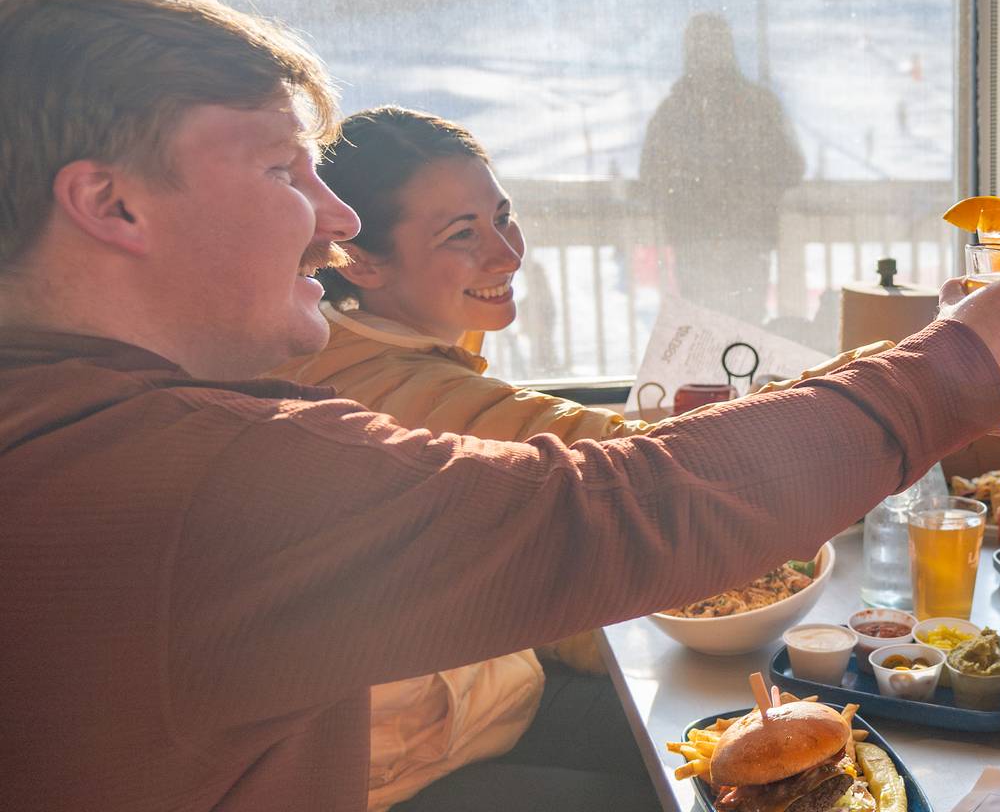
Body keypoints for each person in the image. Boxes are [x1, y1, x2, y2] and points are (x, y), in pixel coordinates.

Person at [0, 0, 1000, 811]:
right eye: (284, 173)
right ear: (111, 203)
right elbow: (610, 506)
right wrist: (958, 365)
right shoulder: (190, 473)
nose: (332, 222)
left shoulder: (70, 427)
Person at [266, 106, 892, 811]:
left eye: (503, 216)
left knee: (713, 735)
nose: (506, 254)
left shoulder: (378, 345)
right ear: (359, 256)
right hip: (405, 760)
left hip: (480, 693)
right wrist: (906, 381)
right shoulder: (393, 390)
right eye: (461, 234)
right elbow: (639, 460)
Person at [639, 12, 803, 326]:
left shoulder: (674, 111)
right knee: (742, 335)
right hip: (741, 239)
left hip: (703, 240)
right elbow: (790, 167)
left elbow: (651, 177)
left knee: (708, 334)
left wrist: (686, 196)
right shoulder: (758, 104)